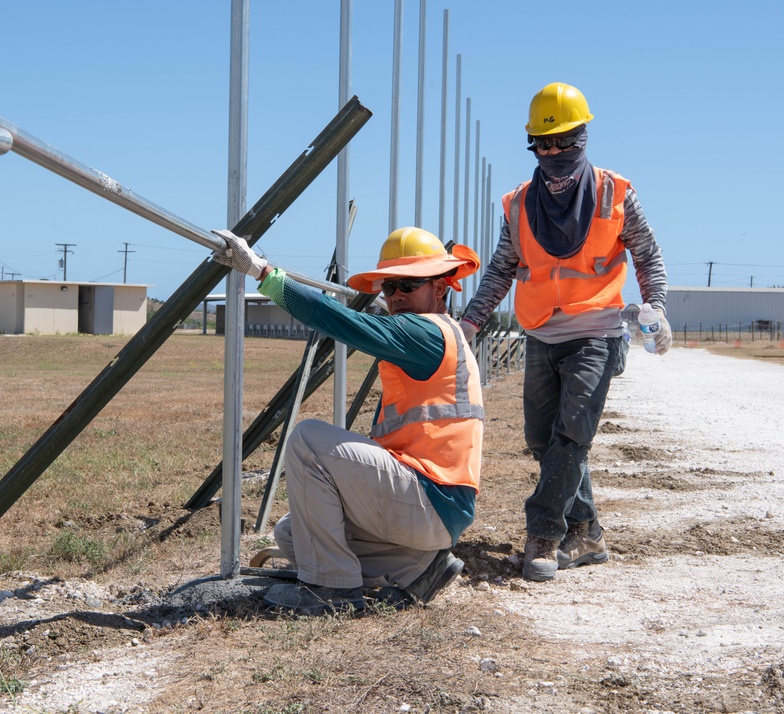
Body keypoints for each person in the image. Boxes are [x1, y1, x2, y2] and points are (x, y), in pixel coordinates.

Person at [458, 82, 670, 582]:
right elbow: (502, 267)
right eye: (542, 144)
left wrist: (656, 307)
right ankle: (589, 532)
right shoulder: (517, 204)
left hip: (597, 332)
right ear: (533, 144)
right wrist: (470, 320)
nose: (552, 153)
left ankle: (543, 535)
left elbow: (648, 255)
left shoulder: (616, 194)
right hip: (541, 335)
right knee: (541, 439)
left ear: (583, 138)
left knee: (572, 434)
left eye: (563, 143)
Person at [213, 227, 483, 615]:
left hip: (429, 500)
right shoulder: (440, 335)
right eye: (389, 287)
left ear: (440, 288)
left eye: (409, 285)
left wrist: (263, 274)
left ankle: (330, 591)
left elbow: (340, 321)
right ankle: (416, 568)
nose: (397, 297)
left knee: (307, 439)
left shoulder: (425, 332)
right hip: (433, 509)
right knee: (292, 534)